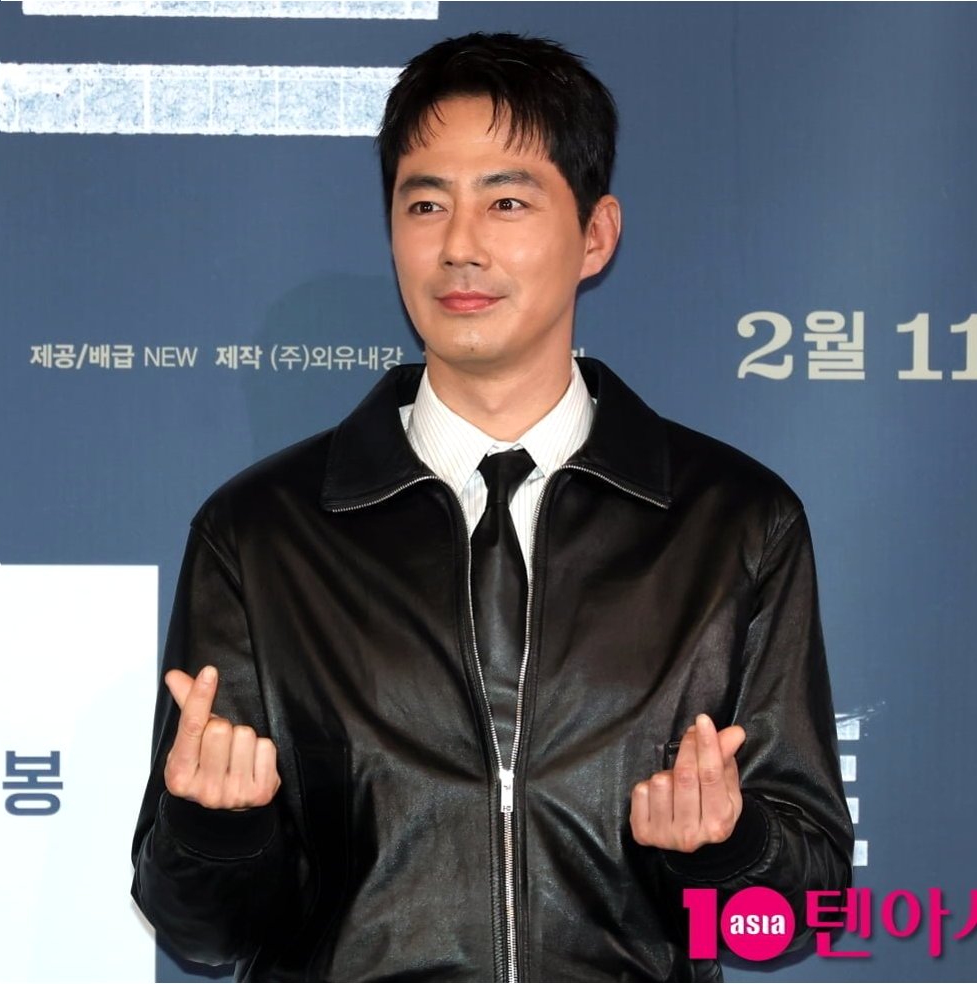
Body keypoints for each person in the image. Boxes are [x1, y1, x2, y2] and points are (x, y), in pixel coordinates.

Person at [131, 32, 852, 982]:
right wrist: (215, 830)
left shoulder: (731, 522)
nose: (459, 246)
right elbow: (204, 935)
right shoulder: (262, 534)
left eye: (506, 202)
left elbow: (793, 919)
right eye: (425, 204)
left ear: (595, 235)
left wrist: (726, 848)